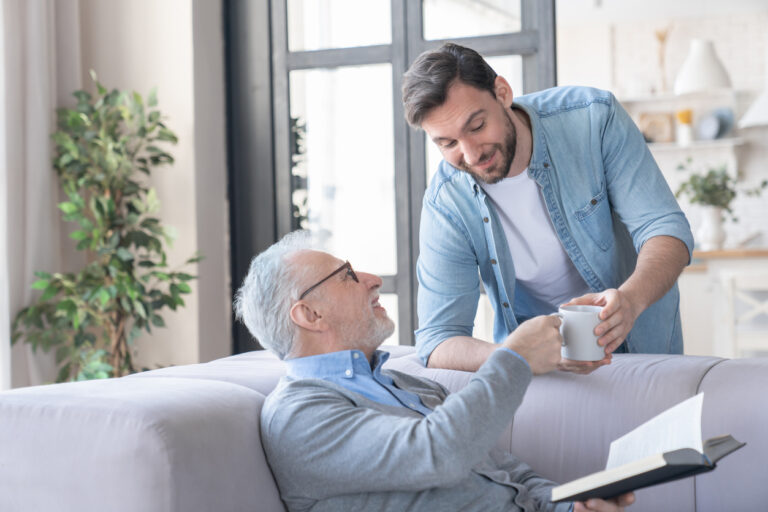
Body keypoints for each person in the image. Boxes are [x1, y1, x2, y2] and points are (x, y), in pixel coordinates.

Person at [234, 231, 635, 512]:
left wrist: (568, 505)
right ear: (310, 314)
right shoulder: (300, 414)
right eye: (349, 276)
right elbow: (438, 453)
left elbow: (506, 472)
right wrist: (514, 357)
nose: (373, 280)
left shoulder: (403, 384)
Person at [402, 43, 694, 374]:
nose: (470, 155)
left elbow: (665, 228)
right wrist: (517, 354)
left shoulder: (593, 118)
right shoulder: (446, 202)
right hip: (541, 372)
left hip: (644, 347)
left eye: (477, 126)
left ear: (502, 92)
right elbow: (437, 339)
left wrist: (630, 300)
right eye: (449, 143)